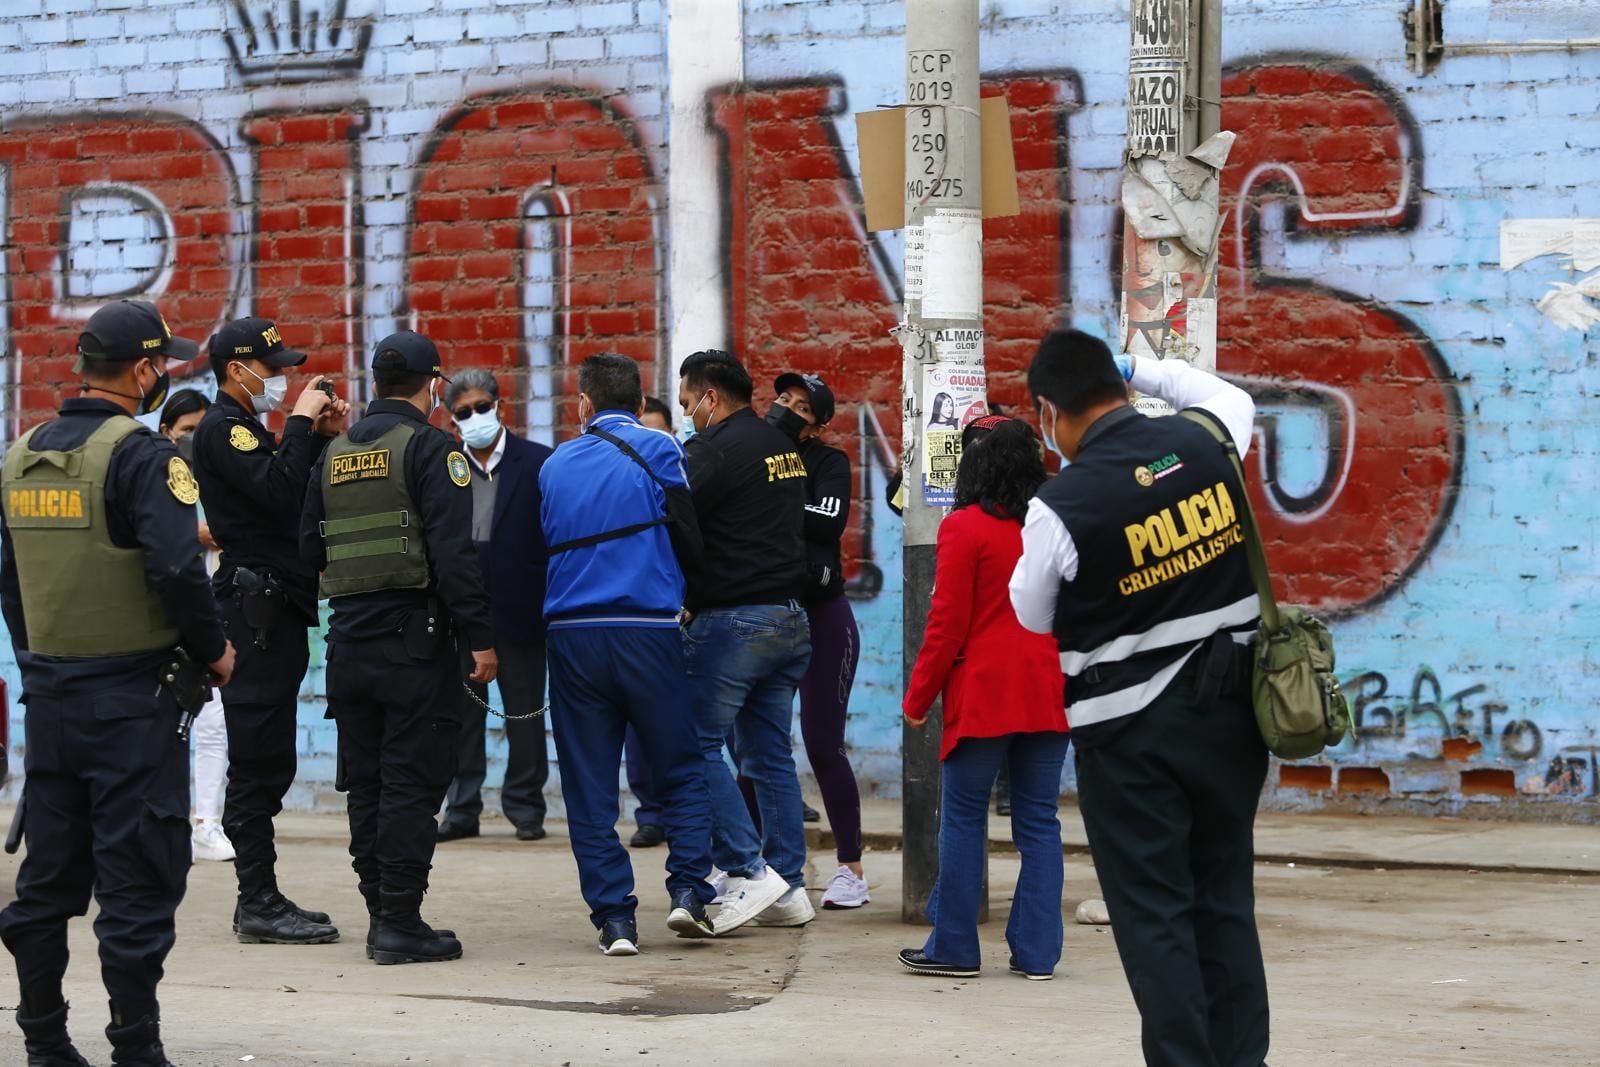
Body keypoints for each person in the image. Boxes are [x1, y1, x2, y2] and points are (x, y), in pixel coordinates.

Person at [1010, 330, 1267, 1065]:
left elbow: (1031, 611)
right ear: (1122, 389)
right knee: (1223, 901)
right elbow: (1229, 395)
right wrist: (1143, 366)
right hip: (1233, 719)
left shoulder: (1060, 505)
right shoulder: (1207, 441)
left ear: (1052, 412)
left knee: (1155, 916)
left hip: (1130, 744)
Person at [0, 299, 236, 1066]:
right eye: (162, 364)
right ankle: (135, 1045)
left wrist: (40, 659)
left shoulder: (19, 454)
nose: (163, 376)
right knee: (138, 882)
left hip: (54, 699)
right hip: (134, 702)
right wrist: (216, 651)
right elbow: (176, 568)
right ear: (143, 370)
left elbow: (10, 583)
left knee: (48, 880)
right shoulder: (142, 456)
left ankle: (43, 1041)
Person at [301, 330, 496, 966]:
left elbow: (308, 549)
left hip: (348, 643)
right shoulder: (433, 449)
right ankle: (399, 922)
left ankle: (382, 914)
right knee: (412, 784)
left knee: (367, 785)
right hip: (415, 643)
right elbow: (453, 555)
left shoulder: (332, 455)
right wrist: (482, 640)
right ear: (433, 385)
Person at [538, 354, 716, 954]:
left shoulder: (554, 464)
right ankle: (690, 892)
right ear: (640, 404)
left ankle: (615, 920)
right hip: (646, 629)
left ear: (582, 404)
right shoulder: (663, 448)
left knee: (589, 785)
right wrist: (695, 596)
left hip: (570, 637)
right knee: (680, 769)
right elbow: (689, 533)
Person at [190, 317, 348, 946]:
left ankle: (263, 893)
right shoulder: (224, 429)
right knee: (257, 759)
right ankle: (255, 900)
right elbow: (280, 496)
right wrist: (303, 424)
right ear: (238, 369)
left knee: (273, 755)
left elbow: (291, 496)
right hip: (253, 615)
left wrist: (320, 434)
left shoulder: (248, 429)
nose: (282, 379)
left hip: (275, 612)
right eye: (273, 367)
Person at [897, 416, 1068, 981]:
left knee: (965, 820)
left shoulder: (964, 527)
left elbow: (945, 626)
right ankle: (1038, 954)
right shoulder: (1055, 524)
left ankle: (955, 948)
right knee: (1039, 823)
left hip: (984, 694)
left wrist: (918, 698)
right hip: (1047, 690)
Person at [677, 349, 812, 931]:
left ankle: (748, 872)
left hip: (733, 622)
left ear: (710, 396)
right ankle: (789, 889)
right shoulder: (780, 445)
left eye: (687, 403)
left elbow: (672, 514)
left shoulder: (712, 450)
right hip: (789, 620)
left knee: (695, 747)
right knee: (767, 755)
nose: (687, 414)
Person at [762, 372, 868, 908]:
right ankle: (745, 863)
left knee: (824, 744)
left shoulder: (829, 463)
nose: (786, 409)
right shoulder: (752, 455)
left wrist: (771, 501)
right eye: (783, 399)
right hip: (766, 617)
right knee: (756, 747)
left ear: (817, 425)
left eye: (801, 408)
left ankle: (851, 868)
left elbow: (826, 524)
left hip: (824, 617)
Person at [436, 369, 555, 844]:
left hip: (521, 609)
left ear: (500, 407)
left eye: (482, 407)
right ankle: (461, 809)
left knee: (525, 714)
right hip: (462, 613)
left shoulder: (538, 463)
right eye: (464, 412)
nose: (475, 417)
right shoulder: (443, 464)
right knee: (462, 716)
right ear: (451, 421)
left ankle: (526, 808)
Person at [158, 390, 235, 864]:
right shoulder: (147, 470)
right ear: (168, 430)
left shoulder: (215, 473)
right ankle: (161, 824)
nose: (192, 439)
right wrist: (196, 534)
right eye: (185, 429)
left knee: (212, 721)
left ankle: (206, 821)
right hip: (158, 616)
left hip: (208, 609)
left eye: (199, 430)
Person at [622, 396, 677, 849]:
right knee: (638, 728)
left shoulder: (681, 479)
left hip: (682, 613)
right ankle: (651, 812)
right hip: (642, 619)